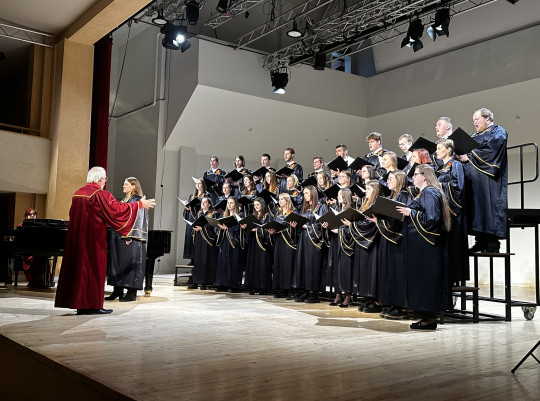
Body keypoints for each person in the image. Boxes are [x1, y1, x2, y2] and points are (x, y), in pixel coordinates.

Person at [55, 167, 155, 315]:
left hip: (77, 240)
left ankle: (80, 305)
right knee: (93, 271)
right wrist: (140, 204)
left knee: (79, 272)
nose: (105, 182)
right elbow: (117, 210)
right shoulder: (99, 194)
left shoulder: (78, 193)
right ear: (101, 179)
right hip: (93, 240)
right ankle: (92, 306)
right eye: (105, 179)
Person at [397, 164, 451, 330]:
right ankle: (426, 317)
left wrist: (410, 213)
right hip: (422, 247)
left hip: (427, 247)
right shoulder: (425, 193)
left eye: (416, 174)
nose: (413, 177)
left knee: (426, 281)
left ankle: (429, 318)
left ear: (425, 176)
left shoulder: (430, 192)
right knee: (422, 280)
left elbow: (432, 219)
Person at [458, 108, 508, 253]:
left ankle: (492, 243)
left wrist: (469, 156)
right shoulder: (474, 136)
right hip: (472, 180)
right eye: (473, 120)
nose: (474, 122)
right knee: (476, 209)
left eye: (477, 119)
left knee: (488, 207)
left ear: (487, 118)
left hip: (488, 179)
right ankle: (480, 241)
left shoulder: (497, 131)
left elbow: (491, 149)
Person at [106, 177, 149, 302]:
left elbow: (138, 219)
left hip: (131, 237)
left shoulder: (138, 200)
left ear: (133, 186)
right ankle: (117, 290)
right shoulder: (124, 200)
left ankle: (131, 292)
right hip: (119, 236)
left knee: (130, 264)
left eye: (126, 184)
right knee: (118, 264)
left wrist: (130, 235)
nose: (123, 186)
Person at [436, 139, 469, 285]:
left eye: (439, 148)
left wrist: (439, 185)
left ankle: (454, 277)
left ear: (448, 150)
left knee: (454, 244)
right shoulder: (441, 168)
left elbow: (458, 187)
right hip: (443, 210)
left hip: (453, 211)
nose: (437, 151)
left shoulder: (455, 165)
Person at [293, 185, 327, 303]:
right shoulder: (304, 208)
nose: (305, 196)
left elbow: (321, 225)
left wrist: (308, 227)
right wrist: (296, 226)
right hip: (303, 240)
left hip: (314, 241)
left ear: (313, 193)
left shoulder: (321, 207)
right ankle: (305, 290)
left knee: (312, 266)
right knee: (303, 264)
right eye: (304, 194)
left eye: (307, 193)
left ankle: (314, 292)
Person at [324, 188, 355, 307]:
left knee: (345, 268)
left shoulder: (351, 211)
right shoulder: (336, 209)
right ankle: (338, 294)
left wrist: (340, 231)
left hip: (346, 244)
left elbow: (352, 230)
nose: (337, 197)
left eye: (340, 195)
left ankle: (348, 296)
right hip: (335, 241)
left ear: (345, 197)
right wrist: (327, 226)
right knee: (335, 267)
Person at [269, 193, 298, 299]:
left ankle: (291, 290)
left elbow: (295, 230)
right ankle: (281, 288)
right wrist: (272, 232)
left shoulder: (293, 213)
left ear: (287, 200)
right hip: (279, 241)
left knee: (288, 264)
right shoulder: (278, 214)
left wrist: (291, 228)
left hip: (289, 242)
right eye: (279, 199)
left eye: (282, 199)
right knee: (279, 264)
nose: (280, 201)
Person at [242, 198, 273, 295]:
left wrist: (257, 230)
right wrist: (245, 228)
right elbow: (248, 232)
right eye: (255, 205)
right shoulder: (253, 216)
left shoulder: (267, 216)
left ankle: (263, 287)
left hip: (263, 244)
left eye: (258, 205)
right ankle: (254, 286)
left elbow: (268, 230)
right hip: (253, 243)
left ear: (262, 205)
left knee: (263, 265)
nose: (256, 207)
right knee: (253, 264)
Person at [18, 208, 51, 288]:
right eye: (30, 214)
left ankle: (44, 281)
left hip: (37, 249)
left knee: (44, 257)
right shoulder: (21, 226)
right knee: (34, 258)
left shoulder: (40, 226)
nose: (32, 216)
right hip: (26, 250)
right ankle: (33, 281)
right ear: (26, 216)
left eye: (34, 214)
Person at [215, 198, 243, 292]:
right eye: (228, 203)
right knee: (223, 262)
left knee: (234, 263)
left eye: (231, 203)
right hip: (224, 241)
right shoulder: (223, 215)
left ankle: (234, 285)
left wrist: (227, 229)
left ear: (235, 204)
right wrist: (221, 228)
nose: (229, 205)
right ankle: (223, 284)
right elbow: (217, 229)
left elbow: (240, 229)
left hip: (234, 242)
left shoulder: (240, 215)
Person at [191, 197, 219, 290]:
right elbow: (195, 224)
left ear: (209, 204)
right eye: (202, 202)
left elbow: (213, 227)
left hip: (208, 240)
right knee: (198, 260)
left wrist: (202, 228)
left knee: (206, 260)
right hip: (199, 239)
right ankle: (196, 281)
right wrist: (194, 228)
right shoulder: (199, 214)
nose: (202, 204)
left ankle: (205, 282)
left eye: (205, 202)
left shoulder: (212, 214)